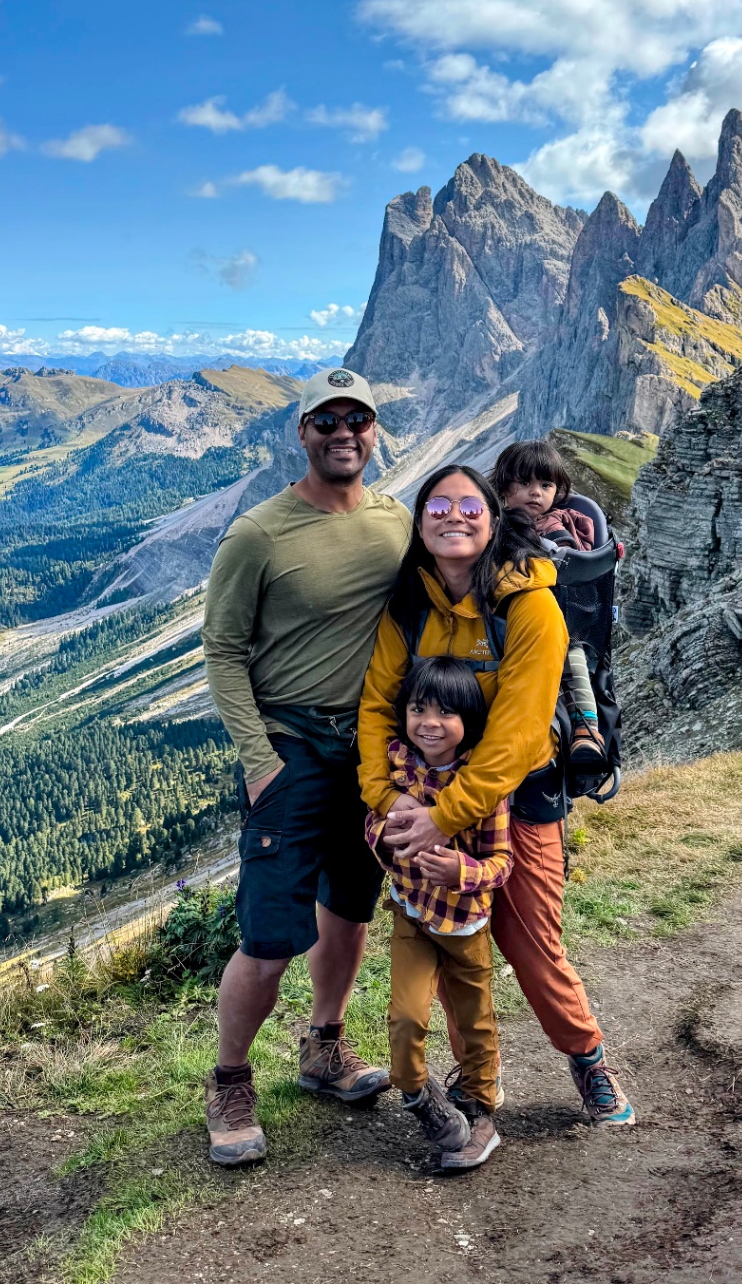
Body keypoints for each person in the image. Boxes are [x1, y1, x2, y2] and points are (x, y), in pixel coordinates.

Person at [359, 466, 633, 1127]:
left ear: (491, 517)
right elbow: (376, 705)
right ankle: (476, 1080)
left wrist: (438, 819)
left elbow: (514, 738)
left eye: (468, 506)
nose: (453, 516)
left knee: (531, 943)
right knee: (455, 938)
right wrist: (384, 798)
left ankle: (588, 1058)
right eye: (438, 506)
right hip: (428, 797)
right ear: (420, 523)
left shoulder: (531, 605)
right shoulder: (411, 602)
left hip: (522, 794)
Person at [201, 366, 412, 1166]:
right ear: (302, 433)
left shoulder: (397, 520)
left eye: (357, 419)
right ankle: (227, 1081)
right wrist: (259, 762)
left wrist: (566, 537)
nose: (343, 433)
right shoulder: (259, 533)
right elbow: (221, 649)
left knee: (350, 908)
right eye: (326, 421)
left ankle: (324, 1045)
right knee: (268, 935)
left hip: (366, 752)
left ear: (375, 430)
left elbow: (472, 557)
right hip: (288, 748)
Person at [365, 655, 511, 1172]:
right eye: (418, 708)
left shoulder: (482, 787)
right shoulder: (399, 768)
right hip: (412, 914)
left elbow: (502, 863)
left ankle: (480, 1107)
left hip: (466, 924)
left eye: (446, 712)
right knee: (405, 1016)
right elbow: (372, 824)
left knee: (476, 1024)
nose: (429, 721)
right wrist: (385, 836)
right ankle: (418, 1096)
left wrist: (462, 873)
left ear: (468, 721)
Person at [491, 440, 605, 773]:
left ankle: (586, 729)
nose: (535, 493)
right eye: (524, 483)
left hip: (559, 617)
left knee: (572, 656)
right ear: (504, 486)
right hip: (503, 618)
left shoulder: (554, 525)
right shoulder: (492, 522)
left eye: (545, 485)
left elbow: (565, 558)